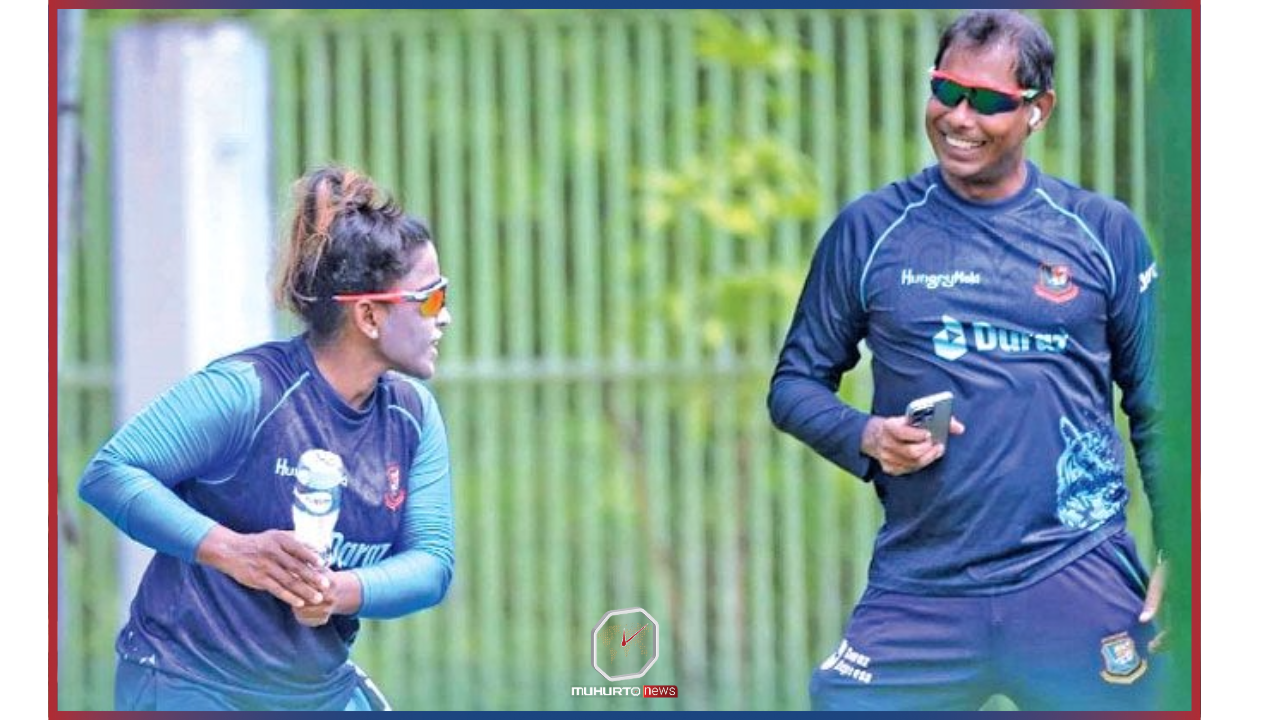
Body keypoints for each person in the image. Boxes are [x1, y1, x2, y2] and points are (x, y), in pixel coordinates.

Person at [767, 10, 1166, 711]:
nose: (959, 117)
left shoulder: (1103, 234)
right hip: (922, 584)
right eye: (946, 91)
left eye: (986, 101)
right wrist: (867, 435)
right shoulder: (872, 230)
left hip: (1075, 573)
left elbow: (1160, 408)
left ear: (1039, 110)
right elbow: (794, 385)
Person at [79, 166, 455, 711]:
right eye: (430, 298)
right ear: (369, 315)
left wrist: (335, 592)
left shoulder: (412, 415)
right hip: (188, 679)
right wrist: (234, 552)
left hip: (311, 692)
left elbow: (432, 562)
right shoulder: (248, 389)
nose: (444, 317)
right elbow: (111, 473)